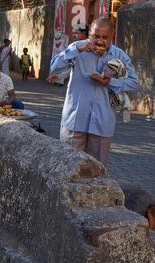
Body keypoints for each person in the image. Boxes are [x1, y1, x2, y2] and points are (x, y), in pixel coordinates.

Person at [49, 17, 138, 165]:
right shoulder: (77, 48)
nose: (100, 41)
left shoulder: (119, 56)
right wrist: (76, 50)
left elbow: (133, 83)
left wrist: (110, 82)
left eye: (105, 37)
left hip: (102, 123)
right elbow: (54, 68)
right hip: (74, 121)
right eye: (96, 36)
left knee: (96, 173)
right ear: (89, 34)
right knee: (67, 167)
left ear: (112, 37)